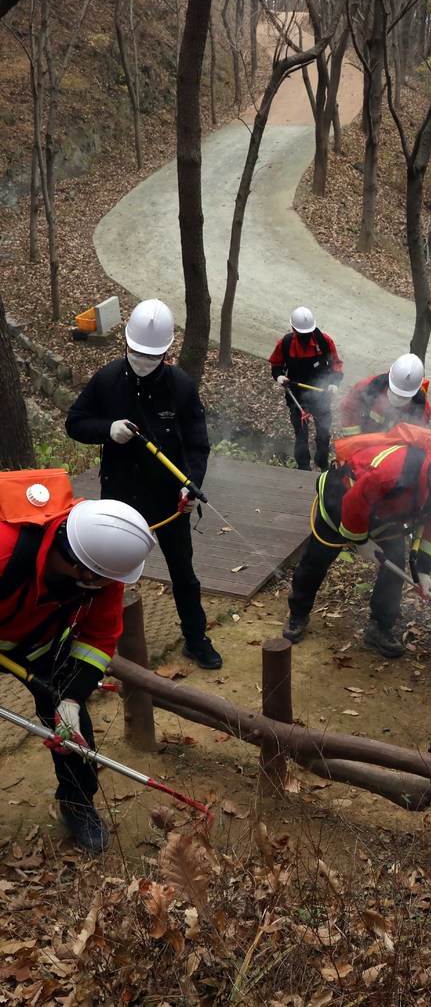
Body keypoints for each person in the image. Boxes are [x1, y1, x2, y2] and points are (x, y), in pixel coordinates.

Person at [65, 298, 222, 671]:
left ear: (165, 352)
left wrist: (190, 484)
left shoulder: (181, 387)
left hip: (168, 499)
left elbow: (198, 445)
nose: (142, 360)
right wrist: (108, 429)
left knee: (183, 572)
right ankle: (94, 647)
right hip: (118, 498)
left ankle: (196, 637)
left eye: (151, 355)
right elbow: (75, 422)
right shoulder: (106, 380)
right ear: (126, 343)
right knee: (102, 574)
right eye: (136, 352)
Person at [0, 498, 156, 853]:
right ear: (84, 569)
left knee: (73, 730)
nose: (113, 585)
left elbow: (99, 639)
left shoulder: (103, 567)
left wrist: (71, 697)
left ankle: (76, 802)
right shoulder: (5, 550)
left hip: (39, 645)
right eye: (107, 580)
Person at [283, 438, 431, 658]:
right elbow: (355, 501)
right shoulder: (390, 471)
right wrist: (360, 541)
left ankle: (379, 628)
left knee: (394, 567)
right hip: (341, 500)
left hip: (385, 518)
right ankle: (298, 613)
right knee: (316, 561)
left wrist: (424, 571)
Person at [269, 306, 344, 471]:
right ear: (293, 329)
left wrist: (334, 383)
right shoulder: (286, 343)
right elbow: (276, 365)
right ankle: (303, 467)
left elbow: (336, 365)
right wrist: (279, 376)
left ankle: (322, 463)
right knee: (301, 435)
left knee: (324, 433)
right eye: (301, 333)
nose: (304, 336)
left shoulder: (324, 342)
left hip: (321, 395)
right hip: (296, 395)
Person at [339, 353, 431, 437]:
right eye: (394, 392)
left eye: (404, 396)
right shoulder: (367, 387)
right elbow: (348, 411)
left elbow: (416, 437)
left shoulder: (421, 407)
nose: (397, 398)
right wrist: (354, 441)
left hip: (393, 451)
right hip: (364, 441)